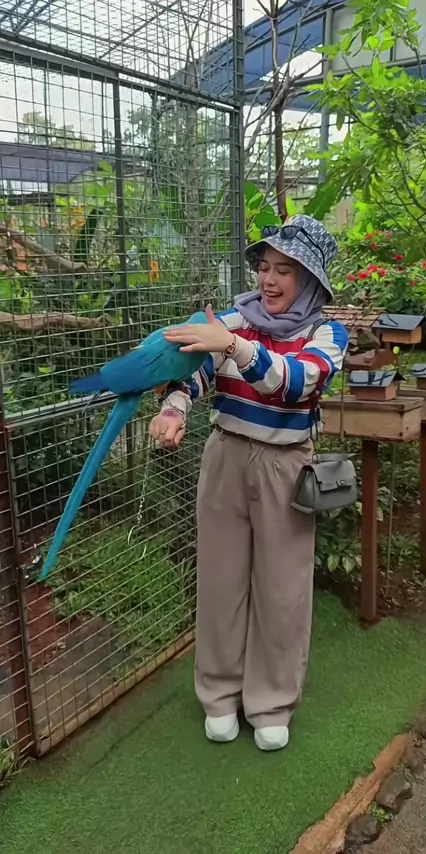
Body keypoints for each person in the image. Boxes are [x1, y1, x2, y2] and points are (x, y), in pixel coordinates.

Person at [149, 215, 348, 751]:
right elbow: (196, 371)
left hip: (286, 465)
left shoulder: (326, 334)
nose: (269, 279)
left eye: (286, 269)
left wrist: (235, 347)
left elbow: (295, 383)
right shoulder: (235, 319)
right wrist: (174, 406)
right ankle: (218, 694)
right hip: (226, 456)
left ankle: (272, 702)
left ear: (311, 280)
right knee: (220, 579)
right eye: (265, 266)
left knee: (282, 589)